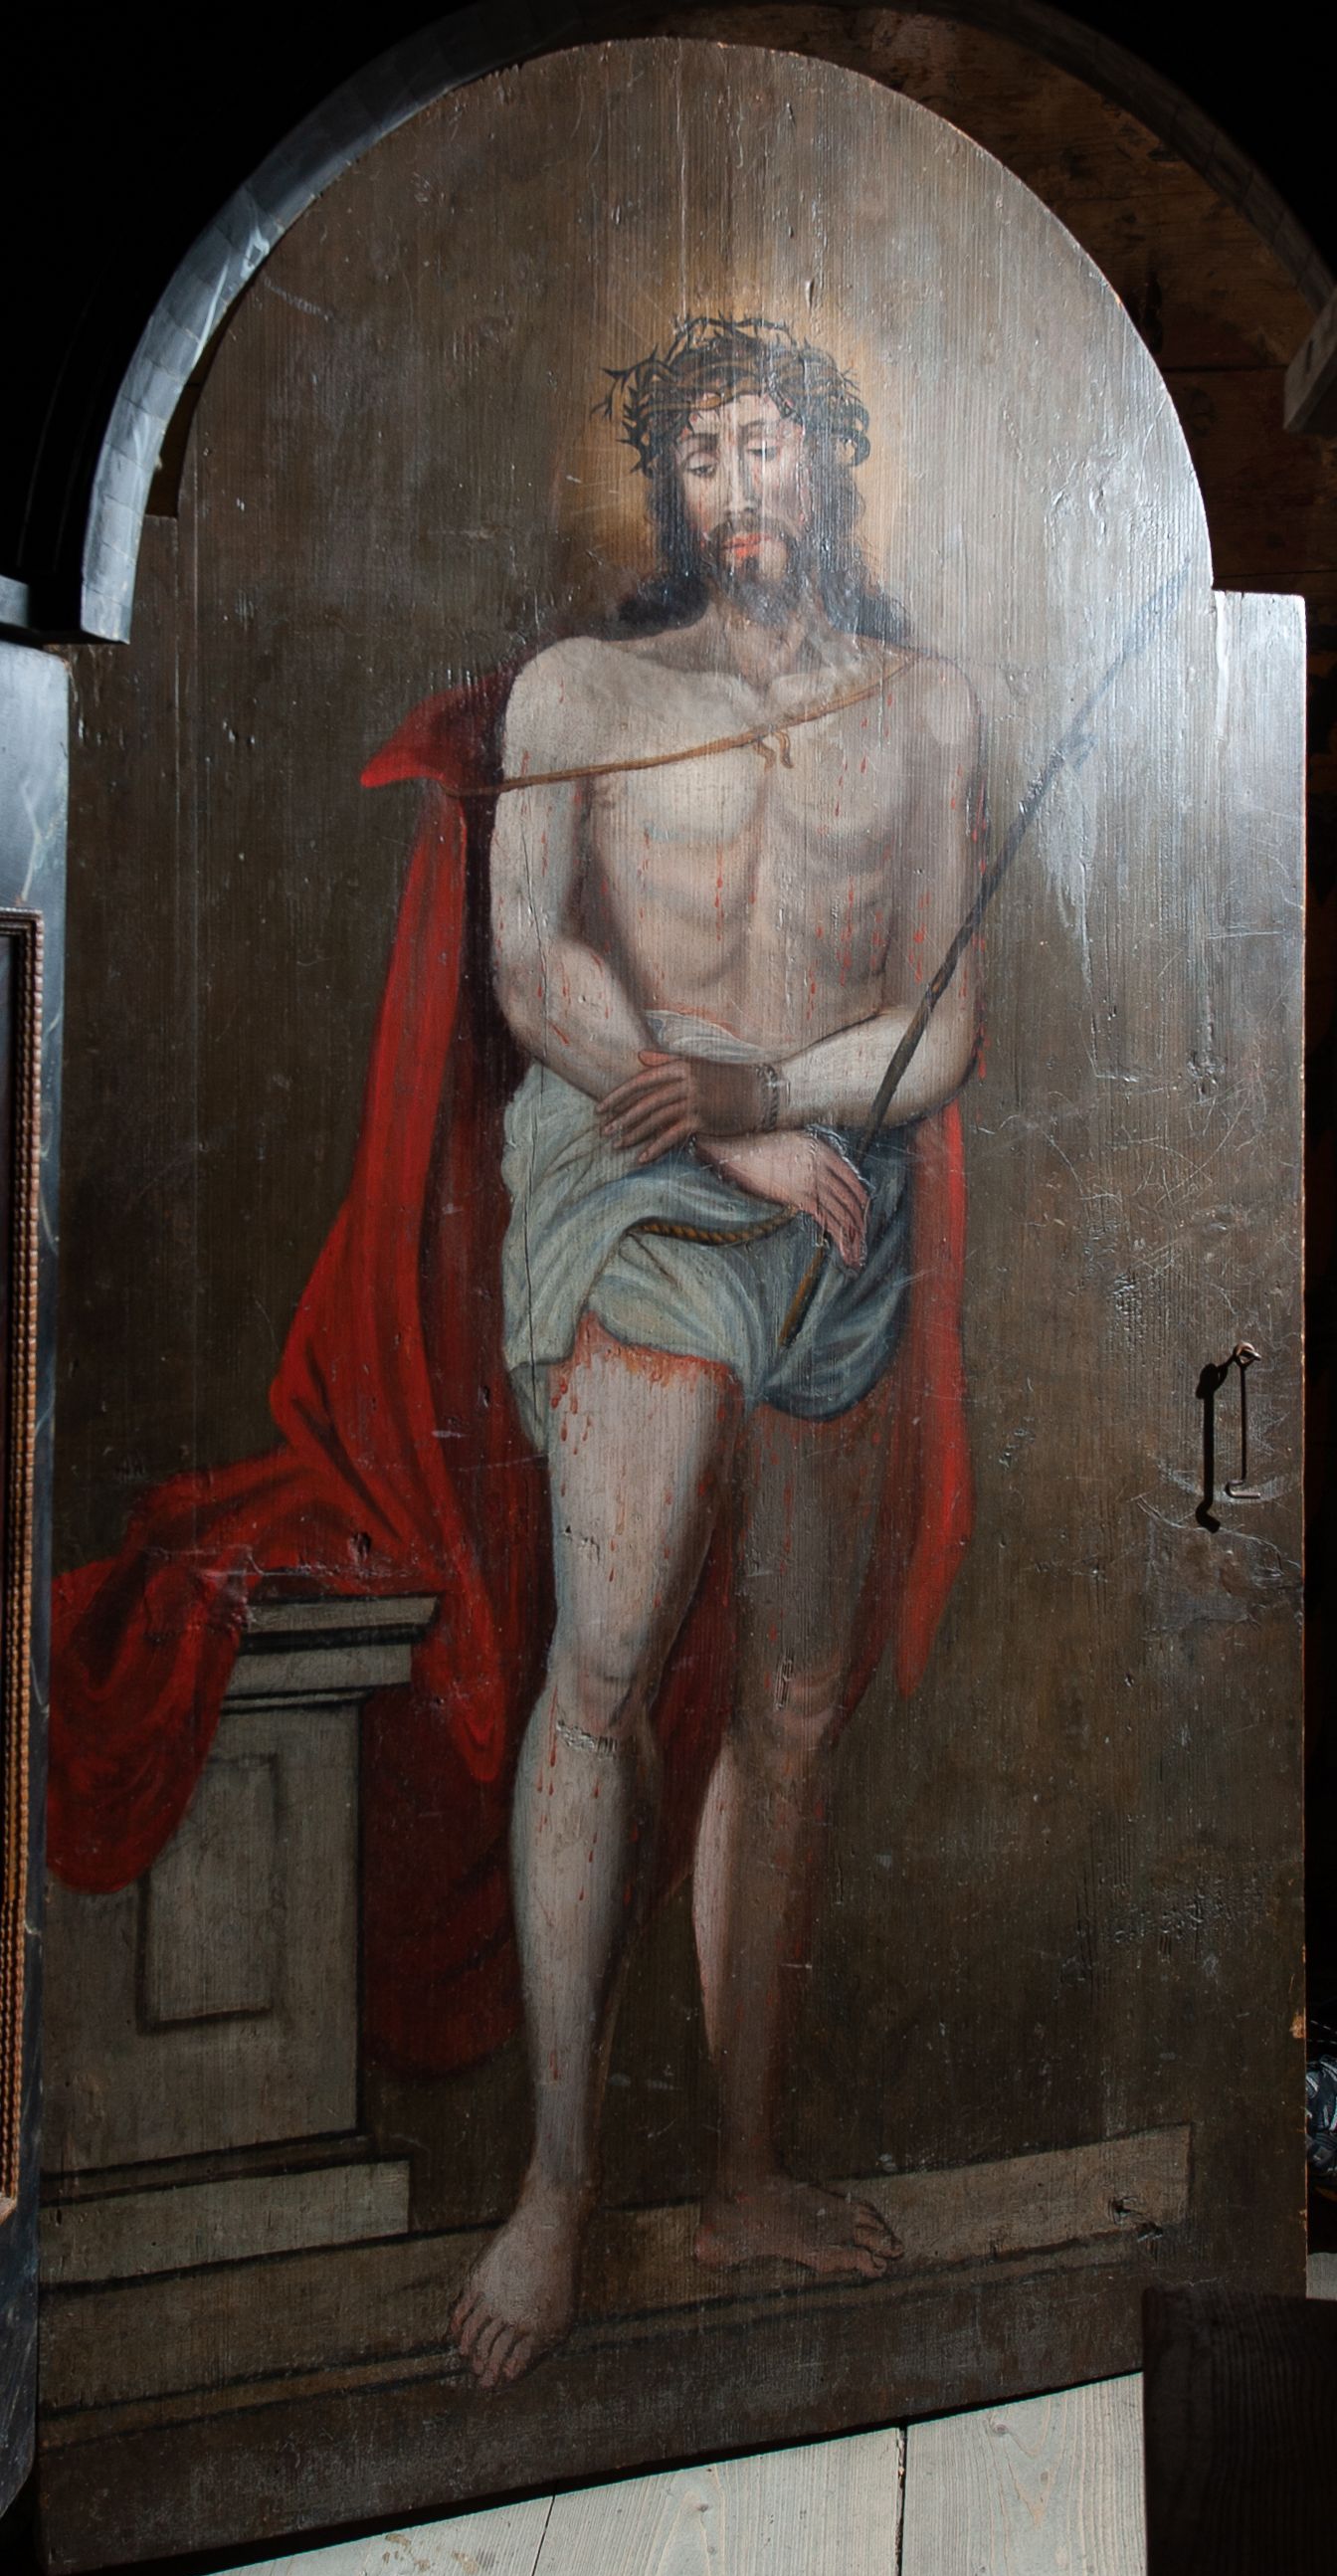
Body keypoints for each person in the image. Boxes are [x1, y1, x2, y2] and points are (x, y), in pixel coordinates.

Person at [450, 316, 985, 2389]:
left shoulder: (928, 709)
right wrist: (725, 1123)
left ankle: (743, 2169)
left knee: (795, 1696)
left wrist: (785, 1098)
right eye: (697, 458)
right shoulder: (583, 694)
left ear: (832, 461)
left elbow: (945, 1020)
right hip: (649, 1185)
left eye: (764, 444)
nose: (734, 490)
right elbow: (531, 963)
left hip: (837, 1199)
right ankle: (560, 2178)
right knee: (605, 1663)